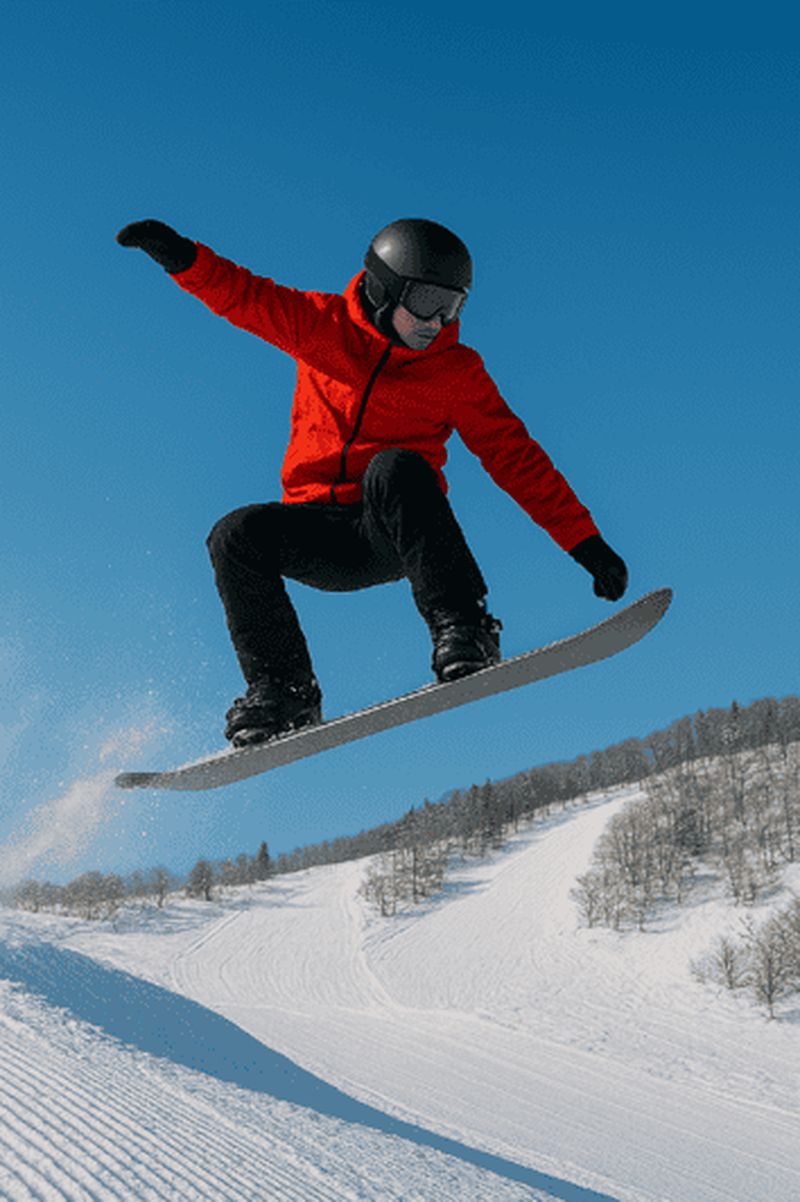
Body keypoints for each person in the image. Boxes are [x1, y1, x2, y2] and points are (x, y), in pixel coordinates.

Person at [116, 217, 628, 747]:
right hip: (320, 534)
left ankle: (463, 628)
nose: (438, 320)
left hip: (394, 531)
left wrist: (585, 544)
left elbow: (515, 458)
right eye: (427, 302)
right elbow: (245, 297)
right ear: (384, 290)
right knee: (236, 533)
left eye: (452, 306)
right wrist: (180, 256)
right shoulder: (320, 325)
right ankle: (284, 692)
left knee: (396, 466)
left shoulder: (456, 372)